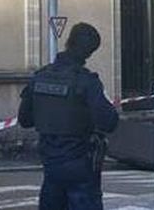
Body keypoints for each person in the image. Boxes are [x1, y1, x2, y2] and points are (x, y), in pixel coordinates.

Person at [18, 22, 119, 210]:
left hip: (50, 163)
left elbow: (24, 120)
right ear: (89, 52)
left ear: (69, 42)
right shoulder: (87, 81)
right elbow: (109, 121)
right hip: (80, 162)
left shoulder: (39, 77)